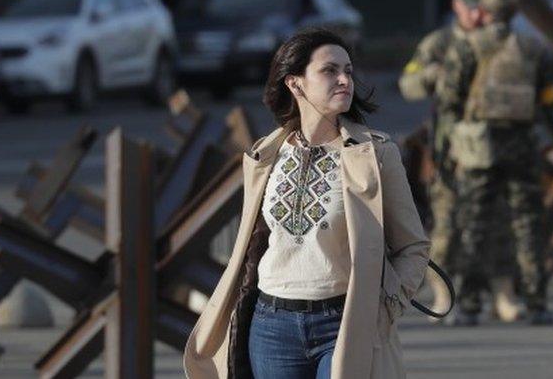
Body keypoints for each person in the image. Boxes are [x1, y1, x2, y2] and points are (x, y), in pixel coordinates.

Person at [184, 29, 430, 378]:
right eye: (329, 70)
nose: (345, 79)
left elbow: (414, 247)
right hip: (271, 327)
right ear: (295, 84)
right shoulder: (265, 155)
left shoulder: (375, 154)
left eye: (348, 70)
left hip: (345, 323)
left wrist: (384, 308)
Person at [398, 0, 521, 323]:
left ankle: (503, 296)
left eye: (483, 8)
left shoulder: (500, 41)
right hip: (451, 152)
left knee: (500, 224)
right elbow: (407, 83)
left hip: (496, 148)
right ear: (457, 6)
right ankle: (443, 295)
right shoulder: (441, 43)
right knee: (446, 227)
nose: (478, 14)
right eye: (472, 7)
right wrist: (434, 75)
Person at [437, 0, 553, 326]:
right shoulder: (533, 48)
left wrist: (449, 145)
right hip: (522, 146)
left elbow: (449, 99)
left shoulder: (469, 47)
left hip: (479, 148)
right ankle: (537, 303)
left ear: (484, 11)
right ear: (515, 11)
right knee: (528, 226)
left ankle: (469, 305)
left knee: (475, 226)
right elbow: (550, 100)